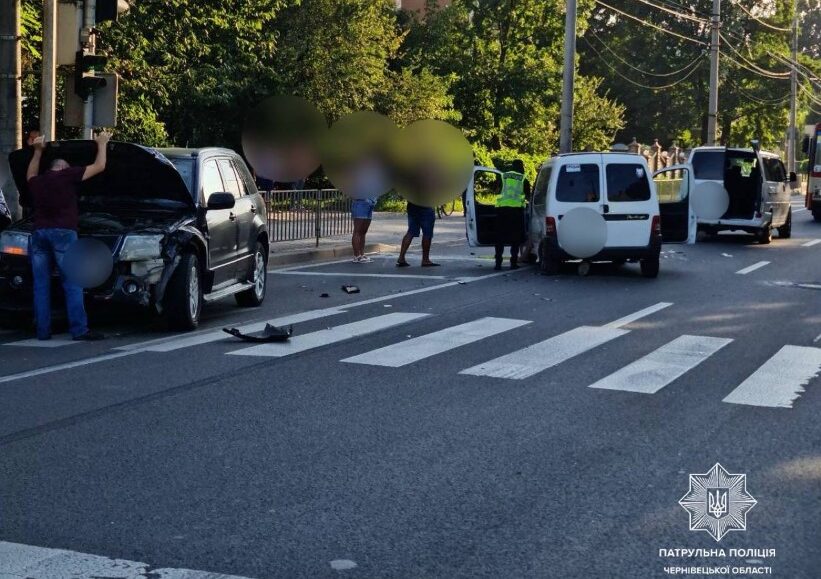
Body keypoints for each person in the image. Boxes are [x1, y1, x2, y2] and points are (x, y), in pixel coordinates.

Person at [26, 131, 111, 341]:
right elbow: (99, 167)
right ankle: (79, 329)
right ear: (63, 167)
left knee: (41, 284)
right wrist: (101, 144)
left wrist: (37, 152)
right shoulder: (68, 175)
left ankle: (43, 331)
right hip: (63, 233)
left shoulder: (39, 182)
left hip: (38, 234)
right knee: (72, 281)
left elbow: (29, 176)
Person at [494, 160, 529, 270]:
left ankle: (498, 263)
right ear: (521, 167)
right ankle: (513, 263)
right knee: (515, 238)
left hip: (502, 211)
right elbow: (528, 196)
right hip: (516, 212)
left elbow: (496, 190)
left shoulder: (503, 176)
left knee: (500, 238)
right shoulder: (523, 179)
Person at [396, 201, 439, 267]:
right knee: (427, 234)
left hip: (412, 204)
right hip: (426, 204)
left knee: (411, 232)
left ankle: (401, 257)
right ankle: (425, 260)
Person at [351, 196, 376, 263]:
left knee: (363, 232)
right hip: (360, 202)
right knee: (357, 231)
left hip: (370, 202)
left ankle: (362, 254)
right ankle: (357, 256)